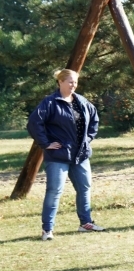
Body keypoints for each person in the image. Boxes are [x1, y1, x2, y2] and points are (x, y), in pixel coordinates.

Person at [27, 69, 103, 241]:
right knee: (54, 191)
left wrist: (87, 139)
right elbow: (34, 123)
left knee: (84, 188)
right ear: (60, 82)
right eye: (69, 82)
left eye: (75, 82)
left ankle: (85, 223)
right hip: (58, 155)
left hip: (81, 154)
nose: (73, 85)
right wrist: (45, 143)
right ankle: (47, 230)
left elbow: (94, 120)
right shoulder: (50, 102)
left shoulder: (82, 101)